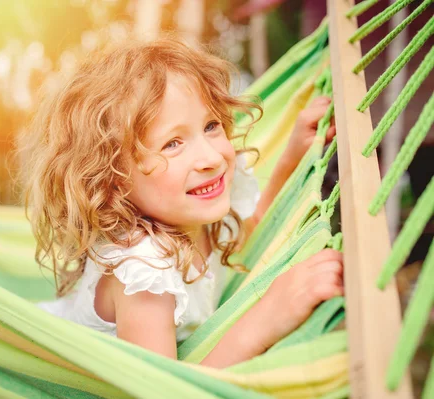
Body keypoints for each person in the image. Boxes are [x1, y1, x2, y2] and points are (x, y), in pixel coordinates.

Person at [18, 36, 341, 369]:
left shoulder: (193, 212)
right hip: (42, 363)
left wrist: (292, 157)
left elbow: (253, 228)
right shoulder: (145, 274)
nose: (211, 158)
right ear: (114, 178)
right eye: (173, 143)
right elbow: (162, 390)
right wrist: (269, 316)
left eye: (211, 125)